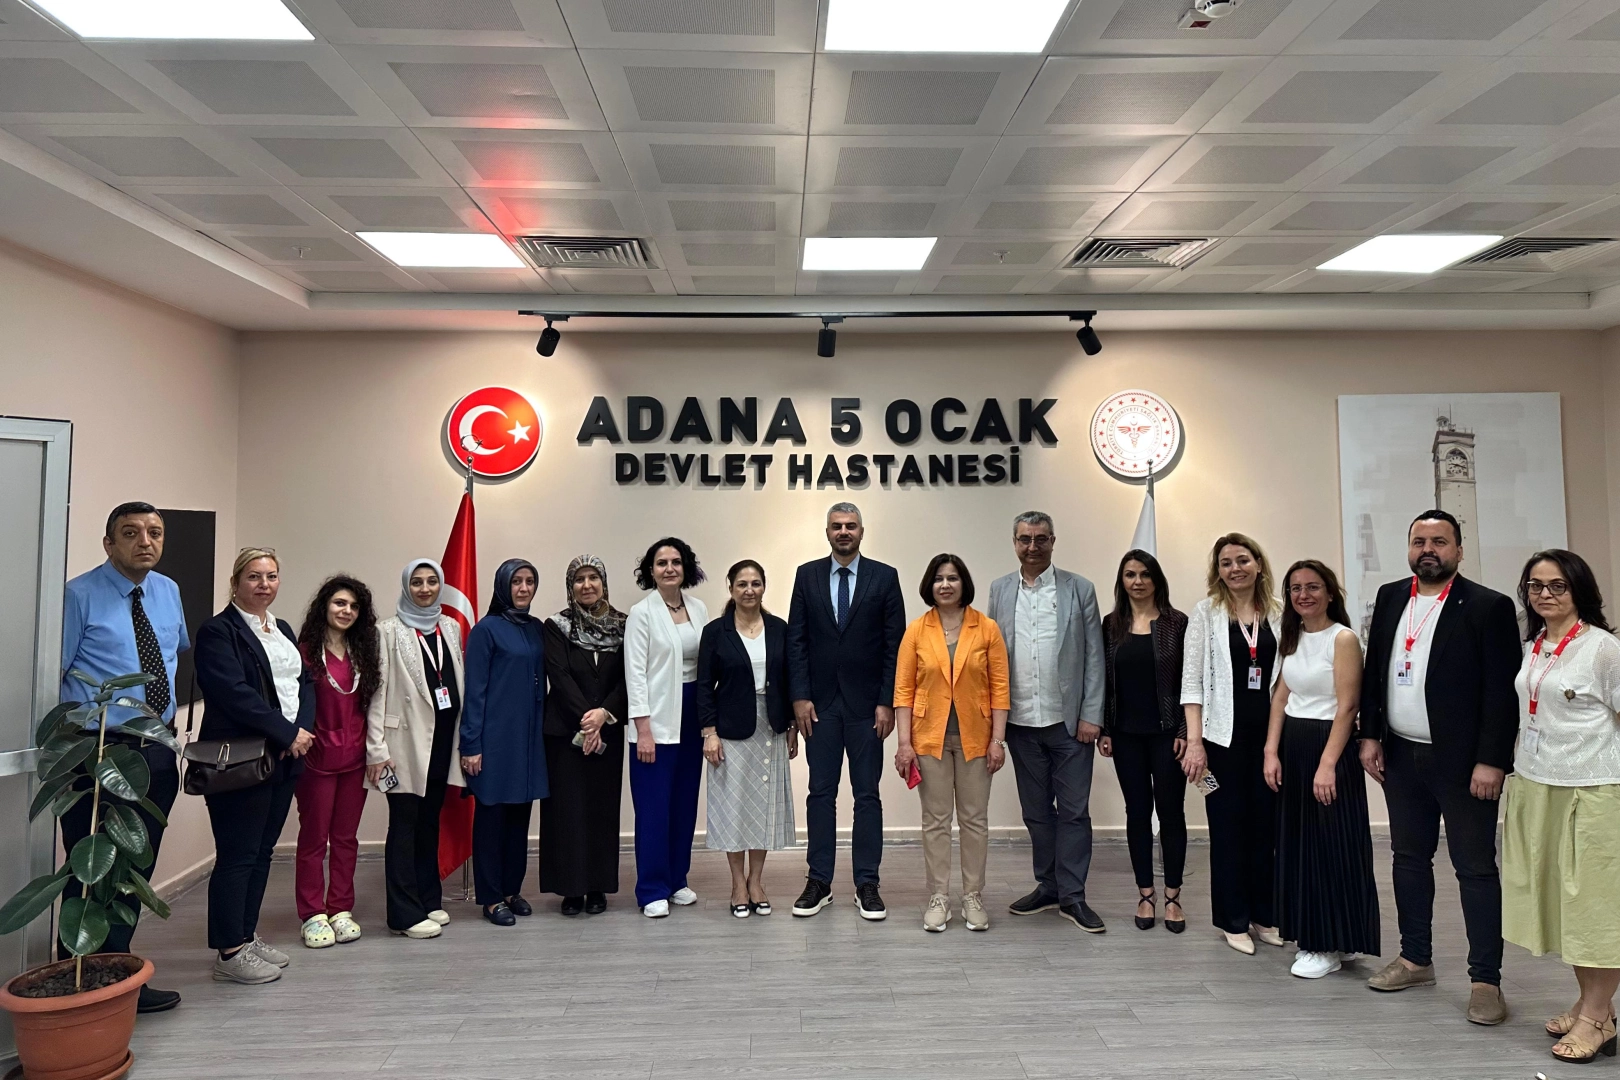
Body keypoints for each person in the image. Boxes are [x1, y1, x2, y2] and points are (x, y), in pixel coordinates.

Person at [1358, 509, 1520, 1025]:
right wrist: (1368, 734)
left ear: (1459, 550)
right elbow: (1374, 670)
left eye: (1439, 541)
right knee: (1408, 859)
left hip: (1465, 764)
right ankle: (1415, 960)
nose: (1428, 549)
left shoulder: (1489, 606)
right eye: (1419, 541)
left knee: (1475, 869)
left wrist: (1492, 761)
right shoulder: (1390, 597)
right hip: (1400, 754)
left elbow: (1502, 693)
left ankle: (1486, 981)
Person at [59, 502, 189, 1013]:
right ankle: (81, 980)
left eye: (155, 532)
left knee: (136, 864)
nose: (145, 541)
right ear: (109, 543)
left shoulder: (168, 590)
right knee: (91, 866)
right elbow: (55, 672)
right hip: (98, 751)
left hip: (156, 749)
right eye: (131, 533)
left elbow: (173, 655)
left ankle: (117, 973)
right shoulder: (78, 595)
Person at [1501, 549, 1620, 1063]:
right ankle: (1593, 1004)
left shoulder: (1603, 649)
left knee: (1596, 907)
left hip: (1593, 791)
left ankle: (1597, 1020)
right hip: (1538, 784)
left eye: (1557, 585)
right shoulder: (1535, 645)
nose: (1544, 594)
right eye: (1535, 585)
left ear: (1579, 590)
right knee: (1568, 907)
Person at [193, 548, 315, 985]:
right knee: (238, 855)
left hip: (284, 757)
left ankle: (246, 935)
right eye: (254, 576)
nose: (264, 584)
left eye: (271, 576)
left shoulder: (281, 629)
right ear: (236, 582)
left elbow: (302, 682)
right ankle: (229, 952)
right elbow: (233, 693)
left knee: (262, 852)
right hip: (242, 762)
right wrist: (285, 733)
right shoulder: (218, 631)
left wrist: (300, 732)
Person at [984, 511, 1106, 932]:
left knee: (1073, 812)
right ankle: (1049, 885)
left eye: (1040, 539)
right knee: (1036, 813)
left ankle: (1073, 896)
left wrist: (1091, 714)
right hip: (1020, 722)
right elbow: (993, 657)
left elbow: (1094, 657)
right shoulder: (1000, 589)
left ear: (1053, 541)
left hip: (1069, 724)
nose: (1032, 546)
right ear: (1014, 542)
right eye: (1025, 539)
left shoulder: (1079, 588)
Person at [786, 502, 907, 921]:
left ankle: (867, 883)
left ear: (861, 532)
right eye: (836, 526)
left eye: (850, 526)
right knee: (820, 793)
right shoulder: (807, 575)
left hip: (867, 708)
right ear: (826, 532)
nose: (843, 532)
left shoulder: (884, 577)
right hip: (818, 706)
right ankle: (818, 881)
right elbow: (796, 641)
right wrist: (799, 697)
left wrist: (887, 701)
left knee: (867, 795)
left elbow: (895, 646)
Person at [1263, 560, 1380, 978]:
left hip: (1329, 747)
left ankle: (1328, 944)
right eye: (1295, 588)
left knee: (1331, 847)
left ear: (1330, 593)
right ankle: (1322, 937)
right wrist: (1271, 751)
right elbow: (1281, 697)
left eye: (1312, 587)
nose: (1303, 595)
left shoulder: (1342, 638)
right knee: (1301, 846)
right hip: (1294, 746)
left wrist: (1327, 764)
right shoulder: (1291, 636)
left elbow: (1348, 706)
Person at [894, 555, 1009, 932]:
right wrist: (904, 743)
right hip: (929, 740)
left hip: (977, 739)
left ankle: (973, 896)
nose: (945, 585)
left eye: (953, 578)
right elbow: (903, 692)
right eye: (939, 579)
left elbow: (1000, 689)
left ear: (964, 584)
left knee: (975, 820)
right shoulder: (916, 631)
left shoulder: (986, 628)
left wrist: (998, 740)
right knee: (935, 821)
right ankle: (939, 897)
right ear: (930, 585)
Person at [1180, 532, 1283, 955]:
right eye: (1226, 563)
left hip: (1271, 743)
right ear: (1217, 571)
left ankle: (1264, 915)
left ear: (1258, 564)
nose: (1235, 568)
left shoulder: (1279, 613)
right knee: (1227, 830)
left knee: (1266, 830)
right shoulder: (1206, 613)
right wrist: (1194, 743)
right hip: (1219, 745)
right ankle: (1232, 919)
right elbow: (1191, 683)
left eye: (1242, 560)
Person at [368, 558, 465, 940]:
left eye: (431, 582)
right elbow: (377, 692)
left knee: (429, 823)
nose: (425, 589)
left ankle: (428, 898)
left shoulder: (450, 627)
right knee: (404, 826)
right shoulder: (387, 631)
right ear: (406, 587)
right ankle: (403, 914)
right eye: (417, 582)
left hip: (441, 743)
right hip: (402, 745)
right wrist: (376, 749)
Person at [696, 560, 797, 918]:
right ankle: (737, 883)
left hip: (771, 726)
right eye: (742, 584)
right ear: (731, 588)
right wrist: (709, 733)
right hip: (730, 730)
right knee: (733, 806)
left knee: (763, 807)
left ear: (764, 587)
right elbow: (704, 687)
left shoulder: (779, 628)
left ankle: (757, 881)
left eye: (755, 583)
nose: (749, 590)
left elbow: (789, 680)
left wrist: (791, 725)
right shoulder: (715, 631)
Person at [1097, 548, 1188, 935]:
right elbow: (1102, 681)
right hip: (1125, 735)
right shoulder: (1110, 625)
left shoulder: (1177, 623)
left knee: (1170, 813)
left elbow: (1189, 681)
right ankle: (1146, 895)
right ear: (1122, 581)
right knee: (1136, 812)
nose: (1138, 581)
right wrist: (1104, 728)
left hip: (1168, 735)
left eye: (1145, 574)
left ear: (1157, 580)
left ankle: (1173, 897)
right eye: (1130, 575)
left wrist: (1185, 732)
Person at [293, 575, 380, 949]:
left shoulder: (364, 654)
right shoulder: (304, 653)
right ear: (324, 606)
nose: (346, 611)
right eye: (339, 603)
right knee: (314, 838)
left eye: (354, 606)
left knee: (346, 839)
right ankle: (313, 913)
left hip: (355, 759)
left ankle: (341, 908)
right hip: (316, 760)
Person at [625, 538, 710, 918]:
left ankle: (676, 880)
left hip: (693, 716)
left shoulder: (699, 608)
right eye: (662, 563)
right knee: (654, 808)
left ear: (686, 567)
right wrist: (643, 730)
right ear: (651, 570)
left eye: (676, 562)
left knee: (683, 804)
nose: (670, 568)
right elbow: (635, 675)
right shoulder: (641, 613)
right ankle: (651, 888)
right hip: (655, 722)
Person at [460, 559, 548, 927]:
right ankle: (491, 897)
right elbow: (474, 691)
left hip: (528, 743)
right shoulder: (486, 630)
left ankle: (512, 890)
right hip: (494, 742)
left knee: (518, 820)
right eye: (516, 582)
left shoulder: (536, 628)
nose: (524, 588)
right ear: (503, 586)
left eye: (529, 581)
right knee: (491, 821)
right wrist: (470, 744)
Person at [541, 555, 628, 916]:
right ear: (570, 586)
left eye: (594, 577)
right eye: (579, 579)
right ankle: (571, 889)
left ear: (603, 583)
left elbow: (630, 677)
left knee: (602, 809)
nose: (587, 585)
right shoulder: (557, 625)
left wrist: (603, 714)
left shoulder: (624, 625)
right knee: (568, 810)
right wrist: (587, 720)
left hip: (609, 730)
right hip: (565, 732)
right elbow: (559, 676)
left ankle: (597, 887)